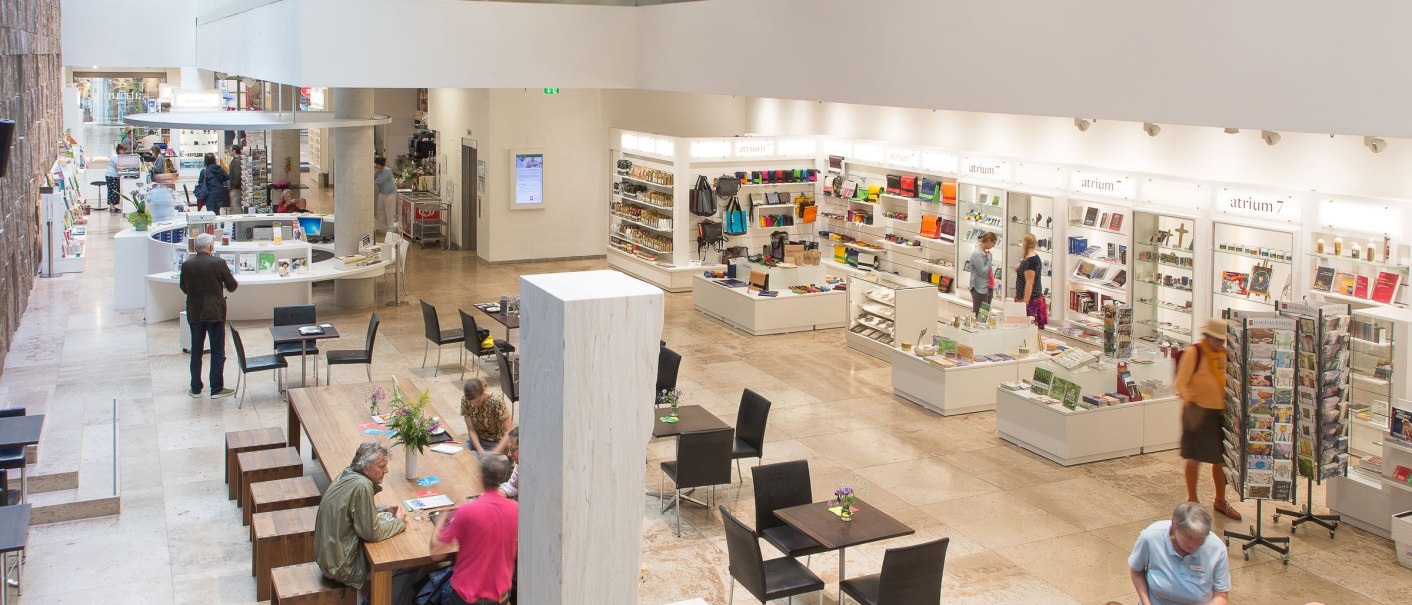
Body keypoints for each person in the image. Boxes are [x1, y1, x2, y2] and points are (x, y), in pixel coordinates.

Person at [315, 442, 418, 605]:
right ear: (366, 469)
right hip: (341, 566)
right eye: (382, 466)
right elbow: (372, 534)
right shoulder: (362, 486)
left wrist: (383, 509)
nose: (387, 470)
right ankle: (375, 601)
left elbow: (352, 508)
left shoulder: (348, 473)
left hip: (328, 556)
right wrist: (399, 522)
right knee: (409, 562)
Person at [429, 453, 518, 605]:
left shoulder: (467, 511)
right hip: (500, 596)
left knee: (433, 586)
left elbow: (436, 553)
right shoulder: (515, 511)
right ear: (502, 479)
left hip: (466, 597)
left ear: (480, 478)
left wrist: (443, 516)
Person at [1176, 318, 1241, 521]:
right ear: (1208, 337)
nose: (1220, 344)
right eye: (1217, 340)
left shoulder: (1224, 354)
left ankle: (1220, 500)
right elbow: (1181, 383)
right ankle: (1193, 501)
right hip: (1198, 413)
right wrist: (1191, 404)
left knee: (1221, 460)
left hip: (1221, 413)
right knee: (1194, 458)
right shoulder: (1194, 353)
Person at [1126, 502, 1230, 605]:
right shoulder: (1151, 537)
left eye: (1199, 539)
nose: (1192, 544)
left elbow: (1221, 595)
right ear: (1174, 526)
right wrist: (1146, 603)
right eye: (1187, 537)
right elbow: (1136, 571)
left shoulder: (1217, 548)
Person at [179, 233, 238, 398]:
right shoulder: (218, 263)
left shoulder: (187, 265)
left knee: (196, 351)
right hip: (215, 312)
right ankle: (216, 388)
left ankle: (196, 388)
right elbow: (232, 286)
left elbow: (183, 287)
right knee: (217, 350)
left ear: (196, 247)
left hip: (195, 312)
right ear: (211, 247)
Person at [461, 377, 512, 454]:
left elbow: (510, 430)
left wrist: (495, 452)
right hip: (477, 440)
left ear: (484, 391)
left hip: (496, 443)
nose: (475, 405)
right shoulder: (465, 400)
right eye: (472, 402)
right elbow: (471, 429)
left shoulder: (496, 401)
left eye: (478, 401)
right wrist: (480, 450)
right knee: (460, 453)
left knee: (473, 459)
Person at [1014, 233, 1047, 329]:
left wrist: (1025, 302)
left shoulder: (1030, 261)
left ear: (1024, 244)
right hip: (1031, 299)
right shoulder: (1032, 257)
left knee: (1028, 331)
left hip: (1031, 301)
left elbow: (1029, 283)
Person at [968, 231, 998, 317]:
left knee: (984, 316)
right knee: (979, 316)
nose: (993, 246)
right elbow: (983, 272)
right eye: (993, 243)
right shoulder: (977, 254)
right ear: (988, 240)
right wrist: (989, 259)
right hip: (979, 289)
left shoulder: (984, 252)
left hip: (987, 287)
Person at [374, 156, 397, 232]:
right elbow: (374, 177)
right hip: (382, 193)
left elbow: (379, 181)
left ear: (379, 164)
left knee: (390, 211)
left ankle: (391, 228)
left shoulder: (387, 170)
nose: (375, 165)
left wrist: (369, 182)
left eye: (376, 164)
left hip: (390, 193)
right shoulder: (379, 170)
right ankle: (380, 226)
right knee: (380, 210)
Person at [105, 143, 128, 213]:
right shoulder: (115, 157)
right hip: (111, 176)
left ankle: (113, 206)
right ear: (120, 150)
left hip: (114, 176)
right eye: (124, 150)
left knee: (115, 191)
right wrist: (125, 171)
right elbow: (117, 167)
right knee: (112, 191)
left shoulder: (117, 156)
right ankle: (112, 207)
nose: (124, 152)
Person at [498, 427, 519, 499]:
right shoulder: (519, 464)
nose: (509, 454)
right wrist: (494, 496)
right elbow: (512, 486)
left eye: (512, 449)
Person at [227, 145, 244, 213]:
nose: (229, 152)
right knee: (234, 205)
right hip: (234, 187)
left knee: (236, 205)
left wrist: (234, 185)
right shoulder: (235, 160)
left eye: (230, 150)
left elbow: (237, 175)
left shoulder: (237, 161)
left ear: (234, 151)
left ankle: (239, 221)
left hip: (236, 188)